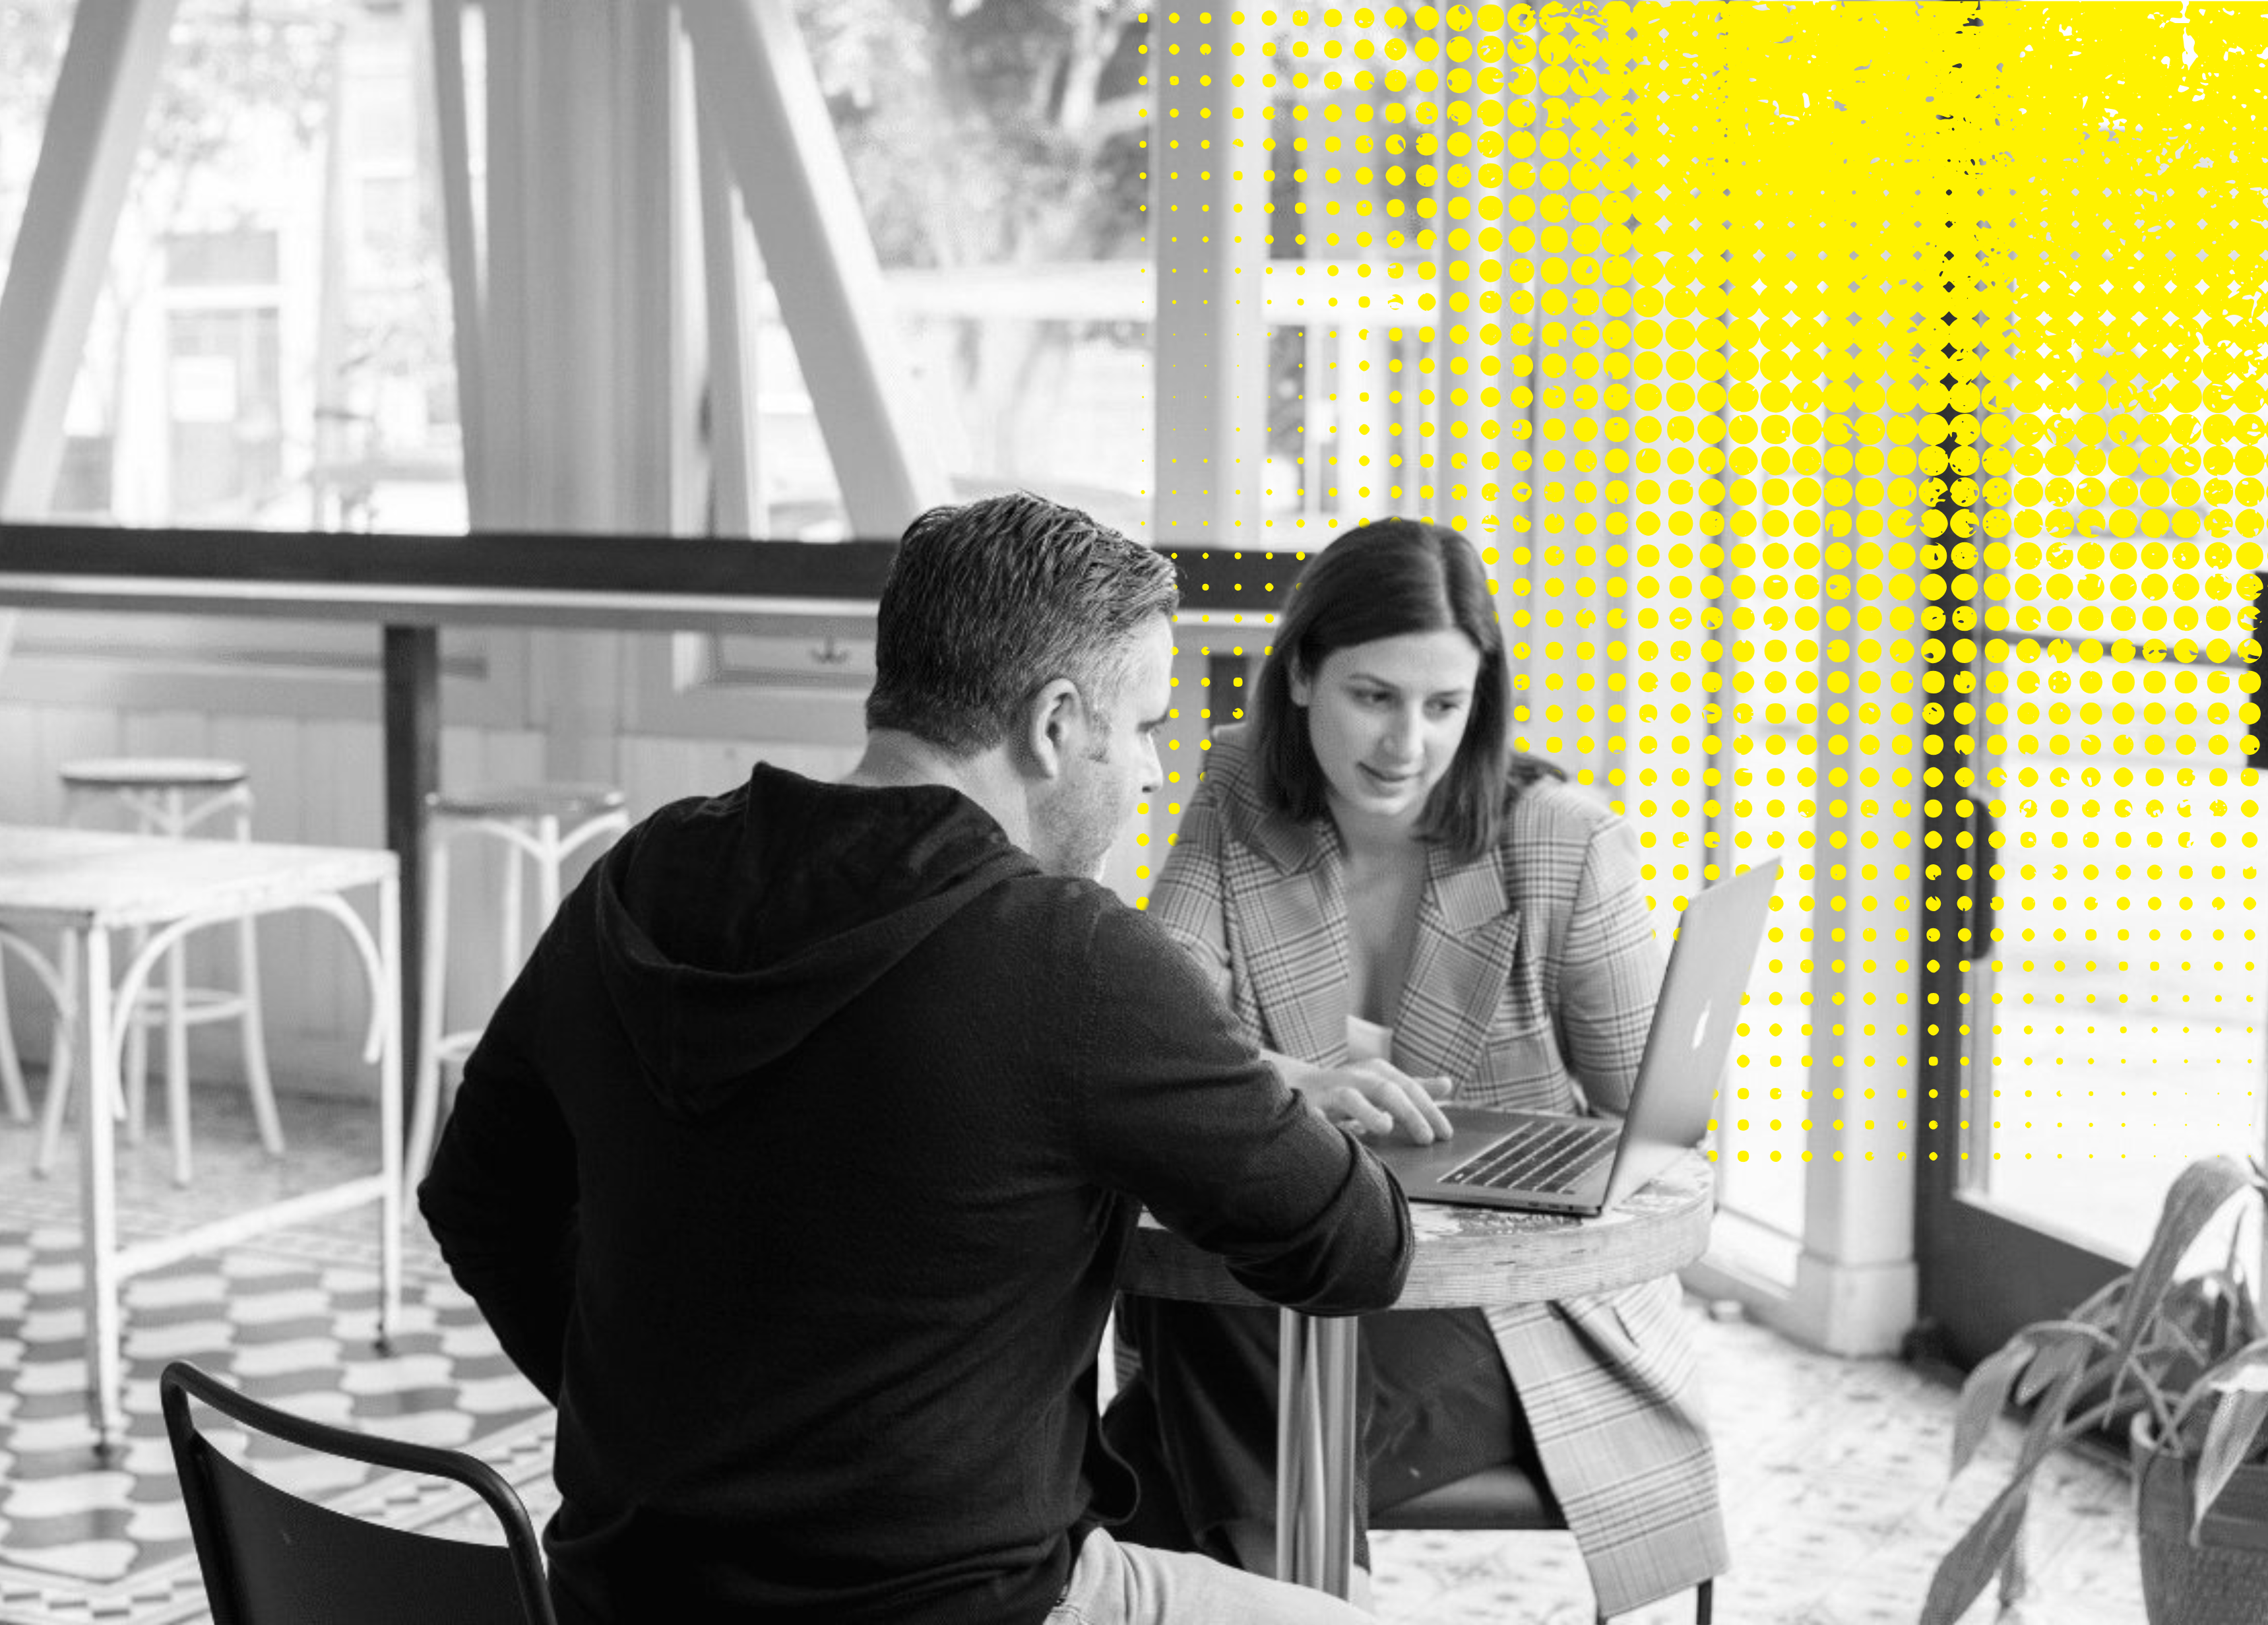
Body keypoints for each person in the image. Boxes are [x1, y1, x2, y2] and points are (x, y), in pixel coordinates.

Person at [418, 493, 1412, 1625]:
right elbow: (1355, 1247)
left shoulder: (639, 879)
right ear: (1051, 725)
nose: (1146, 771)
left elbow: (475, 1195)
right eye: (1140, 726)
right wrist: (1240, 1074)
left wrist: (666, 1443)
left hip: (627, 1596)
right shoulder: (1070, 958)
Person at [1104, 517, 1726, 1618]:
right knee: (1229, 1324)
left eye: (1445, 706)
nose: (1407, 744)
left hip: (1509, 1311)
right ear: (1300, 674)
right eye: (1375, 696)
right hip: (1298, 1274)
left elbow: (1656, 1126)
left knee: (1146, 1431)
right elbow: (1165, 1023)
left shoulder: (1561, 840)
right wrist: (1289, 1083)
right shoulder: (1239, 795)